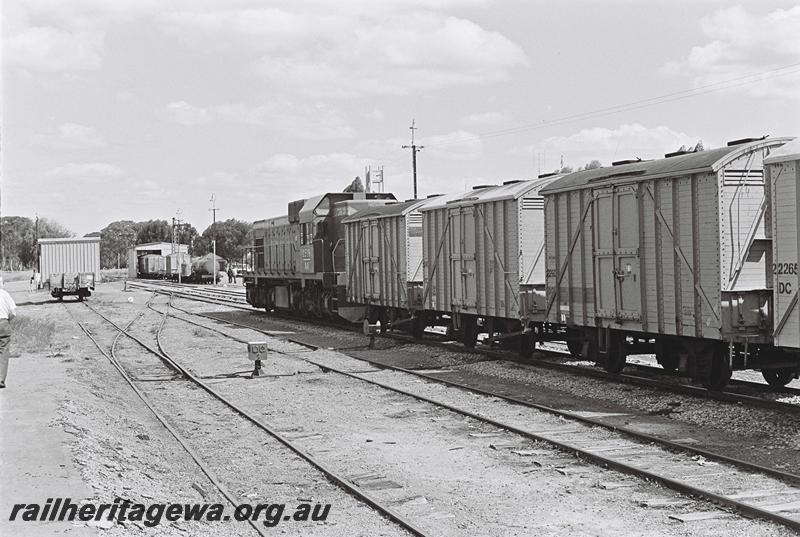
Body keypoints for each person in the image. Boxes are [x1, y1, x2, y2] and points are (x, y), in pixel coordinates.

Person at [0, 283, 17, 389]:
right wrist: (7, 321)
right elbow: (13, 312)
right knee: (3, 351)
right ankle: (0, 379)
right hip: (3, 323)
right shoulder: (5, 294)